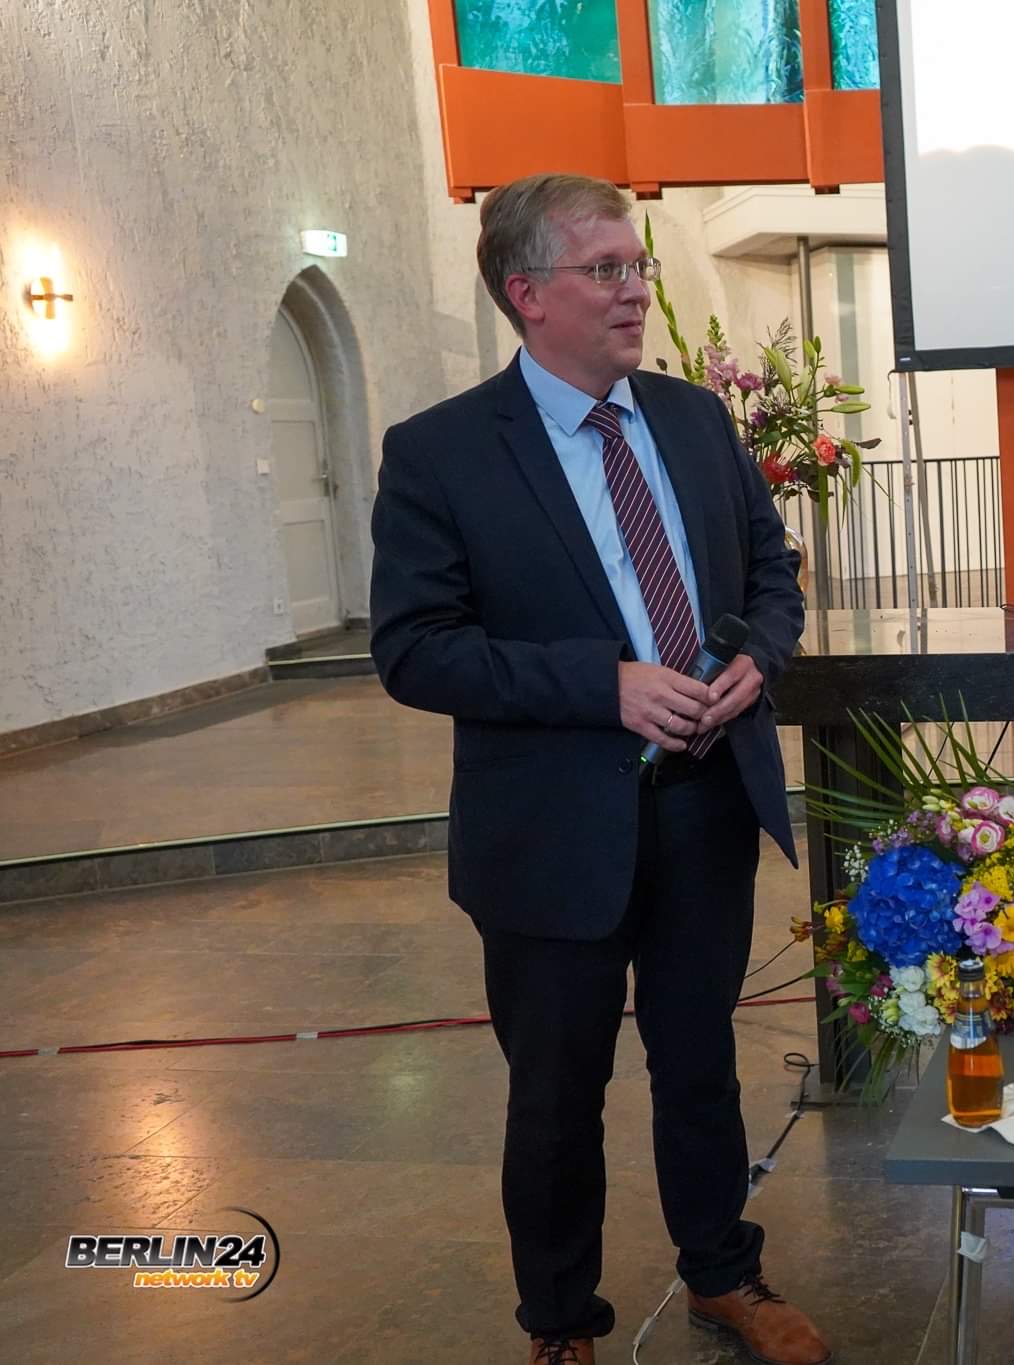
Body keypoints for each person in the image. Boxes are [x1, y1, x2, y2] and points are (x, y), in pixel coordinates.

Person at [370, 173, 826, 1365]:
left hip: (703, 806)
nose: (634, 291)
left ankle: (723, 1274)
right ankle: (560, 1323)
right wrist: (601, 684)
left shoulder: (691, 420)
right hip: (552, 832)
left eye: (637, 267)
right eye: (606, 270)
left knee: (701, 1068)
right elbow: (414, 650)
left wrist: (755, 656)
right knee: (557, 1096)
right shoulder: (441, 454)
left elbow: (771, 575)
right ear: (527, 293)